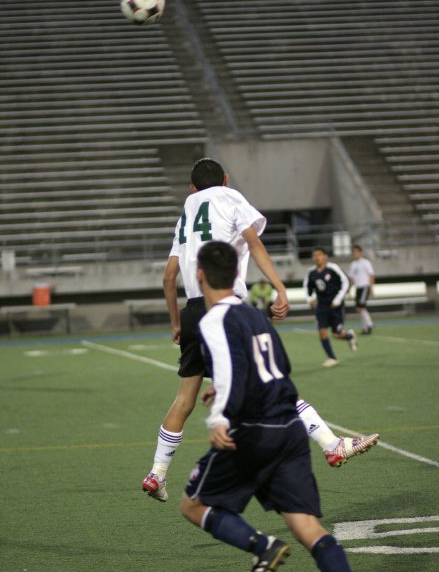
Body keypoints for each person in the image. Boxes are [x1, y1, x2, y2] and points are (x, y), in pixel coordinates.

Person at [141, 160, 378, 502]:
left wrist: (177, 322)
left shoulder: (186, 213)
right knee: (273, 381)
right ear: (225, 180)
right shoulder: (229, 197)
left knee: (184, 398)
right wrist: (281, 288)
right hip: (227, 308)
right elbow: (254, 243)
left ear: (192, 189)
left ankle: (156, 473)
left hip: (193, 309)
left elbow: (168, 277)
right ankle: (331, 444)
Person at [181, 240, 379, 572]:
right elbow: (278, 367)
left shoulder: (212, 319)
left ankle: (261, 546)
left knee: (193, 504)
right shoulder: (253, 314)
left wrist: (219, 414)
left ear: (199, 276)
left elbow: (233, 372)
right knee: (305, 525)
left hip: (253, 431)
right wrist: (222, 390)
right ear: (237, 274)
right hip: (289, 426)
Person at [304, 247, 357, 367]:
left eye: (319, 255)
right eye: (315, 255)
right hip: (321, 305)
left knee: (336, 334)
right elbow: (307, 287)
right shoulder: (311, 272)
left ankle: (349, 335)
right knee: (322, 331)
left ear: (325, 256)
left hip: (335, 306)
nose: (317, 257)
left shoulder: (333, 268)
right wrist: (309, 299)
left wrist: (338, 299)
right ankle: (332, 358)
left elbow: (346, 282)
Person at [349, 245, 375, 335]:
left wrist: (371, 288)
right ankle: (365, 327)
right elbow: (352, 278)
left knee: (361, 307)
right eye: (353, 252)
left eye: (356, 252)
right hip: (358, 288)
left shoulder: (365, 262)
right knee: (359, 308)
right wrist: (349, 289)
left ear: (360, 253)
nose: (354, 254)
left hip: (365, 287)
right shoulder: (353, 264)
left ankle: (369, 325)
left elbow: (371, 275)